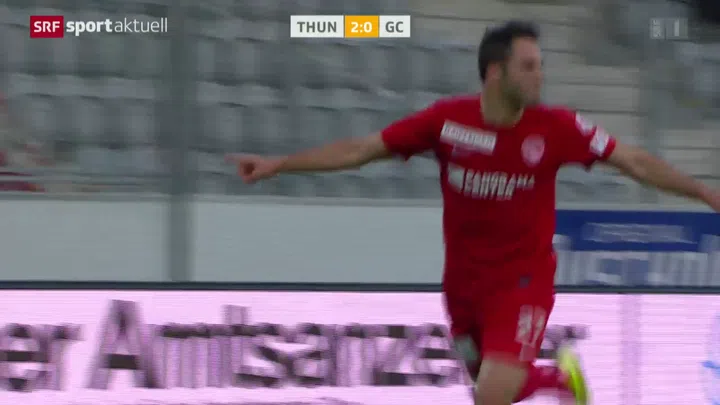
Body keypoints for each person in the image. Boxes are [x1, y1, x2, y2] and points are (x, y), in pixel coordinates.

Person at [227, 21, 720, 405]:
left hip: (522, 283)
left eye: (540, 65)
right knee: (487, 385)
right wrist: (279, 165)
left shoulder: (556, 128)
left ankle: (551, 379)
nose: (540, 75)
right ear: (495, 73)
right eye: (528, 66)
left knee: (490, 396)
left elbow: (633, 160)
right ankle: (557, 380)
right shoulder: (448, 123)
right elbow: (361, 149)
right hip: (462, 288)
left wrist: (702, 190)